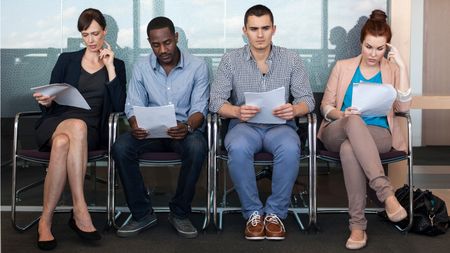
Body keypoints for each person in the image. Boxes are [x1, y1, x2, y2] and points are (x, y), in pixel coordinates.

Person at [209, 4, 314, 241]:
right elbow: (215, 101)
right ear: (244, 30)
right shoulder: (230, 60)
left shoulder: (291, 59)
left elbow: (307, 99)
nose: (259, 34)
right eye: (254, 29)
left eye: (265, 28)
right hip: (244, 126)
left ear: (273, 29)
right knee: (237, 147)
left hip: (280, 126)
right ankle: (254, 213)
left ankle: (275, 214)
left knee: (290, 148)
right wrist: (236, 110)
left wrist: (294, 109)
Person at [33, 8, 126, 250]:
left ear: (105, 32)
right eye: (86, 35)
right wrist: (46, 100)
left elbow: (119, 107)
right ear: (81, 36)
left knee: (65, 142)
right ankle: (80, 209)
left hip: (91, 131)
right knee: (74, 125)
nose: (92, 40)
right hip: (58, 122)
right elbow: (52, 94)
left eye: (96, 33)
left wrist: (111, 68)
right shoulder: (67, 60)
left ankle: (45, 221)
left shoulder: (118, 65)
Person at [317, 10, 411, 250]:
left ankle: (357, 227)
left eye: (380, 49)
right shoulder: (343, 66)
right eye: (369, 47)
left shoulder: (391, 69)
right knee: (354, 120)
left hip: (378, 133)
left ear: (386, 48)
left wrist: (402, 67)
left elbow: (403, 106)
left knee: (351, 150)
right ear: (361, 42)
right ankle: (386, 194)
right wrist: (342, 114)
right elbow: (325, 106)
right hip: (338, 128)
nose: (373, 54)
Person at [111, 16, 209, 239]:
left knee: (197, 147)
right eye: (156, 45)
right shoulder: (141, 67)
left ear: (176, 38)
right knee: (121, 147)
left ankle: (180, 212)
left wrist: (187, 126)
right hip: (149, 131)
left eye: (167, 42)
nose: (163, 49)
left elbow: (200, 109)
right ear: (149, 43)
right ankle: (142, 213)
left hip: (183, 130)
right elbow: (133, 105)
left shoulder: (198, 66)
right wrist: (135, 125)